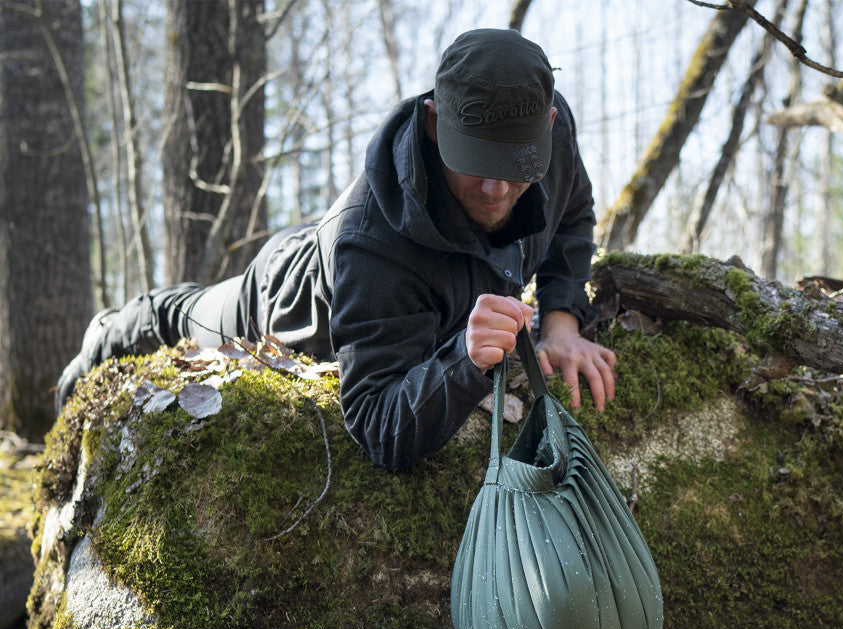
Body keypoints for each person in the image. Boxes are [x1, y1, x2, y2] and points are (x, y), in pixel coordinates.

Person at [57, 27, 616, 471]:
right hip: (290, 297)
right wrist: (461, 360)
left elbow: (572, 214)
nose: (496, 190)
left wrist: (562, 323)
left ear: (547, 126)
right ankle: (109, 331)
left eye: (514, 167)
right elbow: (376, 424)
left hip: (348, 263)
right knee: (186, 315)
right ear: (433, 121)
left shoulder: (549, 134)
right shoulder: (370, 246)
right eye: (475, 163)